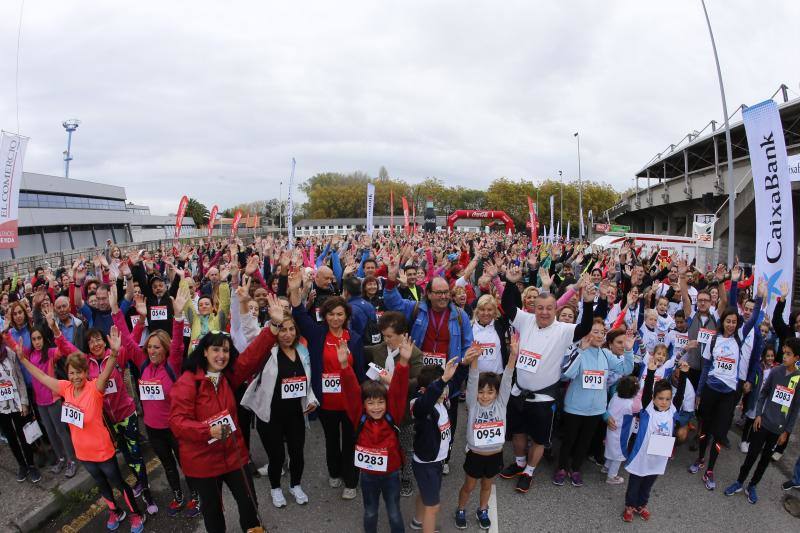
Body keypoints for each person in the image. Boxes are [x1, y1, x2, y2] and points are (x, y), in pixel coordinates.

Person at [169, 293, 284, 533]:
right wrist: (207, 431)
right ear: (204, 352)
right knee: (213, 513)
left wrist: (273, 326)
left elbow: (251, 357)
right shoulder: (188, 382)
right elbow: (178, 423)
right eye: (215, 350)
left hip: (234, 456)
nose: (221, 355)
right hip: (203, 462)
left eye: (226, 351)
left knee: (250, 506)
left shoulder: (227, 377)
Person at [17, 330, 146, 533]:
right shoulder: (65, 388)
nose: (76, 377)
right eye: (72, 373)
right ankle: (115, 511)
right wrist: (23, 360)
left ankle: (136, 514)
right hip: (83, 453)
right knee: (101, 485)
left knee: (118, 483)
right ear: (67, 374)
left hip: (103, 452)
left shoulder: (95, 388)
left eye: (79, 372)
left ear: (86, 372)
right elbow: (41, 376)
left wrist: (113, 353)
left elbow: (106, 372)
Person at [498, 266, 596, 493]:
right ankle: (519, 464)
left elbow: (585, 327)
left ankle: (529, 472)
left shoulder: (564, 330)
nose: (543, 312)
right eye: (540, 308)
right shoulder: (526, 320)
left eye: (549, 308)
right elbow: (508, 306)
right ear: (534, 308)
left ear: (555, 309)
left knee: (539, 439)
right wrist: (510, 283)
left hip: (543, 398)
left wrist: (589, 302)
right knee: (518, 434)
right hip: (519, 393)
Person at [113, 286, 200, 517]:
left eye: (157, 347)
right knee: (168, 465)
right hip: (153, 429)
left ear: (165, 349)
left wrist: (178, 316)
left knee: (185, 463)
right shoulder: (142, 363)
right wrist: (115, 311)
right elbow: (128, 342)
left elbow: (179, 344)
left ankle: (196, 496)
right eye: (149, 347)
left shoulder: (172, 365)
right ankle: (178, 496)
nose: (152, 351)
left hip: (175, 427)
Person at [288, 268, 366, 500]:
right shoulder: (317, 334)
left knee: (350, 441)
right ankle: (334, 472)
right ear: (325, 315)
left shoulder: (355, 339)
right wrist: (294, 290)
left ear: (346, 316)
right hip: (326, 402)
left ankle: (351, 481)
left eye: (340, 314)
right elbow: (299, 314)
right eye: (331, 314)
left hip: (350, 402)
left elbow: (360, 373)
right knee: (331, 440)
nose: (335, 318)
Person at [688, 281, 764, 490]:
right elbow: (706, 369)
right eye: (728, 321)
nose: (731, 325)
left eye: (734, 322)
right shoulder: (714, 340)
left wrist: (759, 297)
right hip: (710, 391)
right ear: (723, 321)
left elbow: (754, 318)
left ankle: (710, 469)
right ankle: (700, 458)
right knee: (705, 429)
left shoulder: (739, 337)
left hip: (728, 394)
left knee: (720, 433)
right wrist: (699, 393)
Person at [241, 310, 318, 508]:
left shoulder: (302, 350)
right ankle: (275, 488)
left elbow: (307, 381)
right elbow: (250, 332)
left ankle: (295, 485)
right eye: (283, 329)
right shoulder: (268, 350)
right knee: (277, 457)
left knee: (297, 454)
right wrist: (242, 303)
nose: (288, 334)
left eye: (292, 329)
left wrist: (311, 399)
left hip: (295, 415)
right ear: (275, 331)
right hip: (270, 415)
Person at [342, 330, 412, 533]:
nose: (376, 407)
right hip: (368, 476)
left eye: (380, 402)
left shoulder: (392, 414)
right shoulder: (360, 416)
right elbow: (350, 390)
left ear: (387, 403)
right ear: (363, 405)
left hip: (391, 474)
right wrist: (344, 366)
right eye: (370, 403)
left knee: (394, 512)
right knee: (370, 512)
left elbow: (398, 390)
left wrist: (403, 362)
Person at [724, 337, 800, 503]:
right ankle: (739, 482)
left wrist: (786, 431)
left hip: (778, 430)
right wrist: (758, 414)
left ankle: (752, 485)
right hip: (763, 423)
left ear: (796, 358)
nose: (784, 356)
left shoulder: (798, 379)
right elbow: (763, 394)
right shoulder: (776, 371)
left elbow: (795, 409)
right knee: (751, 455)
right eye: (784, 352)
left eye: (789, 354)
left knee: (764, 460)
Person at [454, 337, 516, 530]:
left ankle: (482, 510)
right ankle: (461, 509)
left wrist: (513, 356)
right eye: (481, 392)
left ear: (496, 393)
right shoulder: (473, 404)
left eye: (490, 392)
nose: (485, 396)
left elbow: (507, 379)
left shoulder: (501, 404)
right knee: (469, 486)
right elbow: (473, 379)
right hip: (475, 455)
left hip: (495, 455)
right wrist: (475, 359)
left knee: (487, 486)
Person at [621, 355, 688, 522]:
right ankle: (630, 505)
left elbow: (680, 395)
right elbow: (647, 391)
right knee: (636, 481)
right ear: (653, 398)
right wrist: (650, 372)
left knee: (649, 482)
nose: (664, 402)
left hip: (659, 454)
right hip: (642, 454)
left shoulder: (672, 410)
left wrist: (684, 375)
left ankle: (641, 504)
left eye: (667, 399)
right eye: (660, 398)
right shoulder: (648, 408)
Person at [364, 311, 424, 497]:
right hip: (380, 409)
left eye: (389, 336)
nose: (386, 340)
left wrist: (394, 381)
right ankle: (384, 473)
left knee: (406, 446)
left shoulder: (415, 353)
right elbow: (363, 356)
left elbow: (418, 382)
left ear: (403, 334)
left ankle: (406, 478)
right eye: (384, 335)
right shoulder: (378, 350)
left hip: (404, 410)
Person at [7, 322, 78, 478]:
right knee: (51, 433)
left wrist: (55, 329)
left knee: (61, 431)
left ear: (44, 339)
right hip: (40, 402)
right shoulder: (30, 354)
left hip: (54, 400)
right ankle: (61, 458)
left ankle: (72, 460)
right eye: (34, 339)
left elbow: (64, 348)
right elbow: (16, 348)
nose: (37, 342)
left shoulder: (51, 353)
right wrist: (6, 333)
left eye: (39, 338)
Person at [409, 359, 462, 533]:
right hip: (426, 464)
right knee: (433, 507)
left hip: (437, 461)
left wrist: (465, 364)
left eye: (444, 386)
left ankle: (417, 521)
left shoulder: (442, 400)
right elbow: (427, 399)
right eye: (440, 386)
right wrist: (442, 381)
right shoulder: (420, 405)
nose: (444, 391)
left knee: (425, 495)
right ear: (424, 390)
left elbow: (454, 382)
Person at [0, 336, 40, 484]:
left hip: (17, 402)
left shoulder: (9, 353)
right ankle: (22, 465)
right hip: (1, 407)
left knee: (24, 434)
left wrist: (24, 402)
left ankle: (31, 465)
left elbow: (20, 377)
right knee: (11, 438)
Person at [603, 375, 641, 484]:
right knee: (619, 455)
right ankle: (611, 476)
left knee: (611, 450)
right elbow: (639, 406)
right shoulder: (631, 405)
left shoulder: (615, 396)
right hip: (622, 433)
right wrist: (639, 392)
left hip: (611, 430)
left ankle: (606, 467)